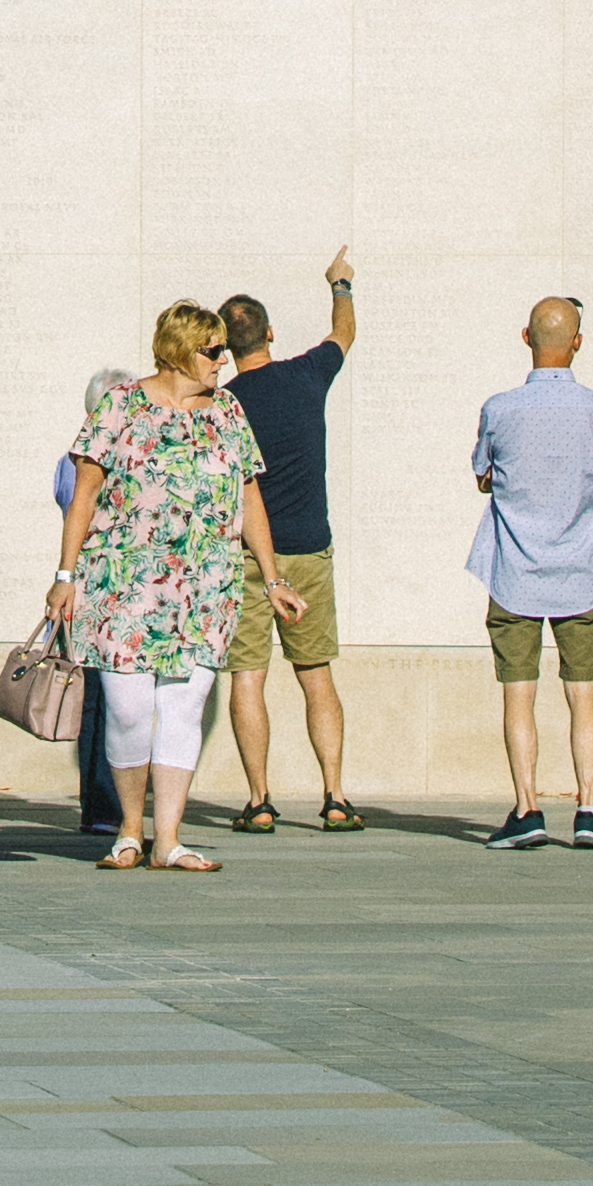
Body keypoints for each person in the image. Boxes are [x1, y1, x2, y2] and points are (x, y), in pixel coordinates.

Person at [40, 302, 279, 872]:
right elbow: (85, 495)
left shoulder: (227, 411)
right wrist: (64, 576)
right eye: (213, 350)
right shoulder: (120, 406)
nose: (224, 360)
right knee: (126, 710)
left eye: (224, 349)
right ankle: (128, 830)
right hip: (124, 582)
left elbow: (249, 497)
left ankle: (167, 838)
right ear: (179, 352)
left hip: (205, 585)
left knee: (184, 706)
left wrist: (273, 578)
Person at [209, 255, 364, 831]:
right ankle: (335, 794)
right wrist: (340, 283)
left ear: (224, 346)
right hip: (307, 551)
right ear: (270, 333)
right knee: (315, 673)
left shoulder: (220, 404)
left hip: (246, 554)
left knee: (248, 676)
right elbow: (343, 332)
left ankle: (259, 800)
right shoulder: (306, 375)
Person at [470, 298, 593, 852]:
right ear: (577, 341)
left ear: (525, 338)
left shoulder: (500, 408)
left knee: (519, 695)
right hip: (581, 572)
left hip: (514, 571)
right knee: (584, 695)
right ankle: (587, 807)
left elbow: (483, 474)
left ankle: (528, 807)